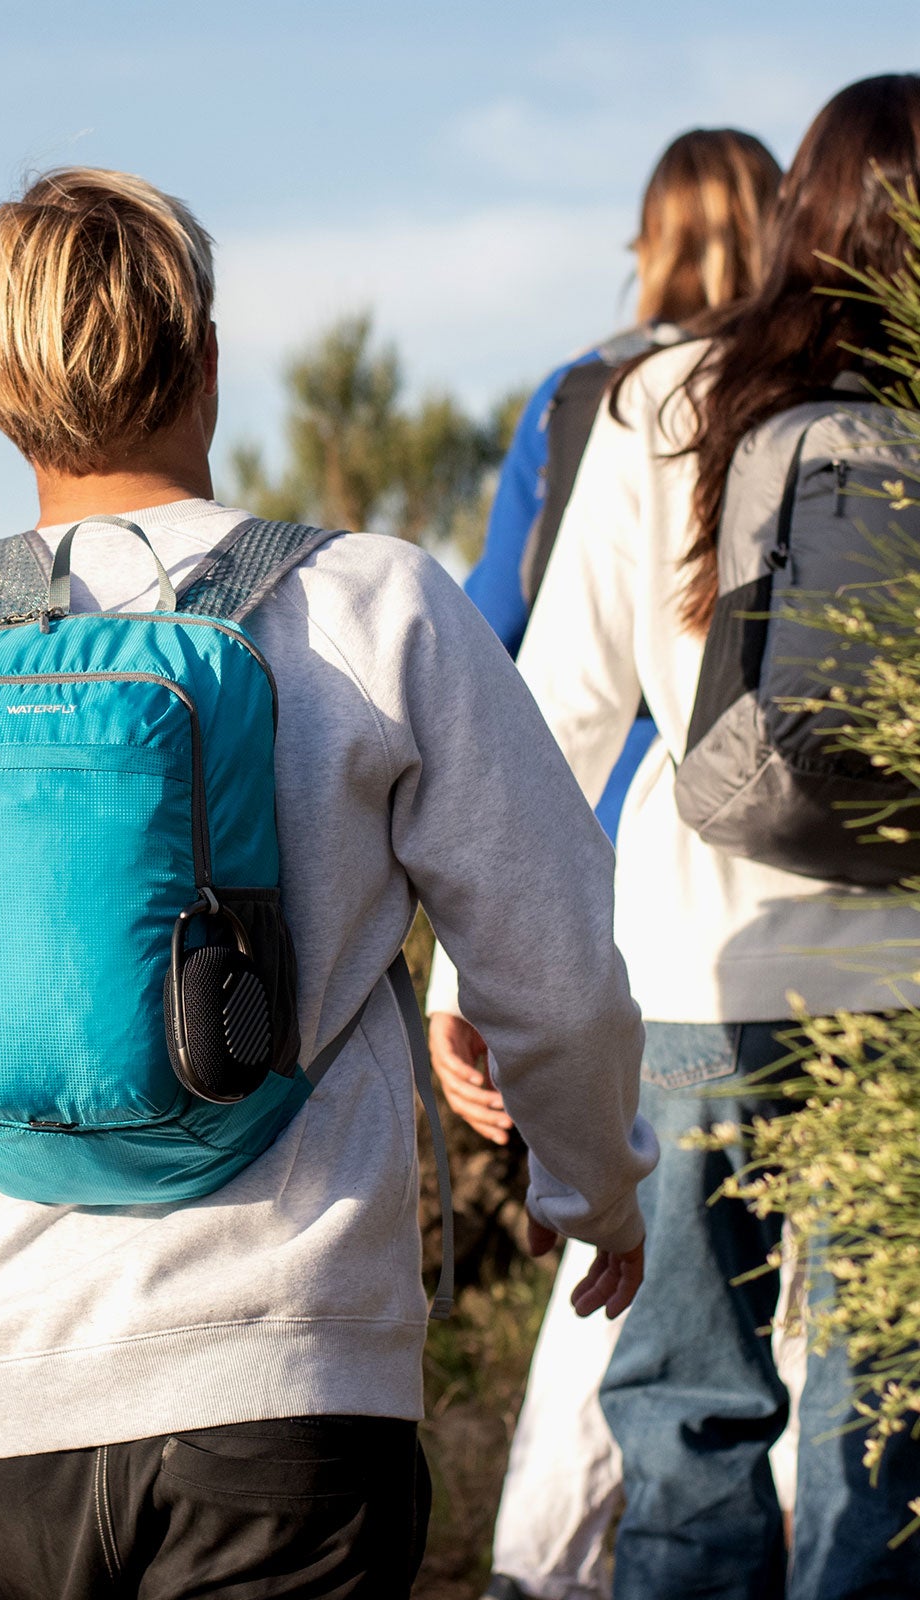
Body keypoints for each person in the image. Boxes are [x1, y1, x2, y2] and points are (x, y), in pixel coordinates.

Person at [0, 167, 656, 1600]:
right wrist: (594, 1188)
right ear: (207, 358)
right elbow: (557, 963)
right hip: (292, 1387)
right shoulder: (378, 608)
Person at [438, 76, 920, 1600]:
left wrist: (467, 980)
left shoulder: (664, 401)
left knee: (684, 1420)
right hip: (907, 1016)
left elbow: (549, 720)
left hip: (697, 986)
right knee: (882, 1453)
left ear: (800, 212)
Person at [427, 128, 782, 1600]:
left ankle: (539, 1570)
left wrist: (461, 946)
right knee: (802, 1332)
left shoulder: (591, 397)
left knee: (625, 1262)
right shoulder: (831, 384)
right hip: (811, 897)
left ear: (644, 243)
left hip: (623, 882)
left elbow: (506, 655)